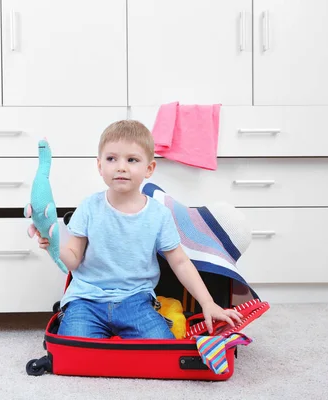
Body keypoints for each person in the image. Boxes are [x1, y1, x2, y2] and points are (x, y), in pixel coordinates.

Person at [36, 120, 242, 339]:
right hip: (86, 299)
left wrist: (208, 303)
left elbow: (181, 263)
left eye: (132, 160)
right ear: (100, 166)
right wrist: (54, 246)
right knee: (72, 348)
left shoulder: (159, 215)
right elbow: (73, 259)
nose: (121, 167)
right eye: (111, 159)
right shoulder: (89, 207)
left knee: (162, 346)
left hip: (136, 301)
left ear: (149, 169)